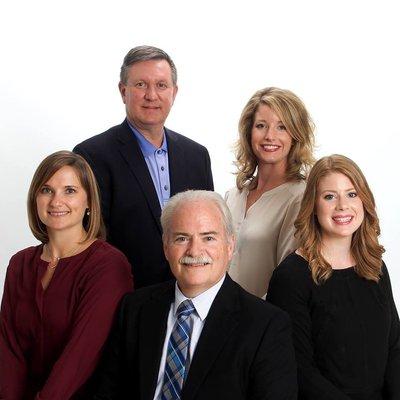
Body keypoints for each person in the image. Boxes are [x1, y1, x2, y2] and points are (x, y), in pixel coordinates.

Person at [93, 190, 297, 399]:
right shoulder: (135, 309)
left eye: (208, 238)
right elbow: (107, 394)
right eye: (182, 238)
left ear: (229, 245)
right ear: (165, 247)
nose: (194, 251)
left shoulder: (266, 325)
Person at [74, 45, 214, 289]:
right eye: (141, 85)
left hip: (188, 296)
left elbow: (209, 231)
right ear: (123, 90)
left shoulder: (196, 156)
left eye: (161, 85)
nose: (152, 95)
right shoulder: (92, 155)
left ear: (174, 92)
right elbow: (90, 240)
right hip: (122, 298)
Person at [0, 151, 133, 399]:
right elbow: (9, 350)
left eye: (69, 190)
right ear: (34, 199)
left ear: (90, 202)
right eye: (47, 190)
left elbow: (81, 355)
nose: (56, 201)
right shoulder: (20, 264)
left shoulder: (108, 265)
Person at [267, 155, 400, 400]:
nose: (342, 206)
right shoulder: (291, 277)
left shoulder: (375, 266)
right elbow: (299, 370)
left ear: (364, 201)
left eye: (352, 194)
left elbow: (394, 349)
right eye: (329, 196)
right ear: (313, 206)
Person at [225, 87, 315, 297]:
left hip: (263, 321)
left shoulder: (300, 197)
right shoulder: (233, 195)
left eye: (282, 127)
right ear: (249, 132)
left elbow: (288, 279)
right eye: (261, 126)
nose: (269, 136)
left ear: (295, 135)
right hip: (218, 317)